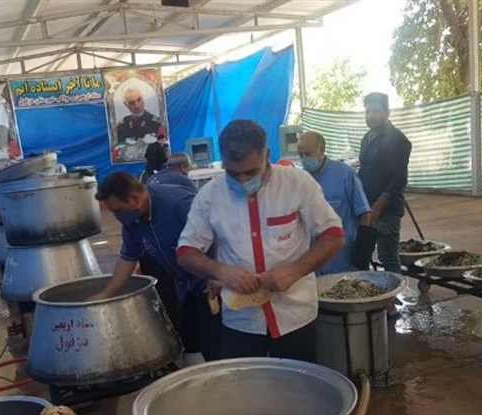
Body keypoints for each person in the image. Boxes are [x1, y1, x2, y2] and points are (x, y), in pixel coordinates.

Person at [176, 119, 345, 363]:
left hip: (294, 315)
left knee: (298, 383)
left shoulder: (297, 183)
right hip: (240, 320)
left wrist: (294, 271)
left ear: (267, 155)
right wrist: (222, 271)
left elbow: (333, 236)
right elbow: (185, 252)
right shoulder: (210, 195)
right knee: (245, 385)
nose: (243, 181)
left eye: (251, 172)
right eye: (233, 174)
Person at [92, 172, 222, 364]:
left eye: (119, 211)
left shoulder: (179, 204)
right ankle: (195, 374)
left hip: (213, 284)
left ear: (135, 198)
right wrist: (105, 295)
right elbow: (127, 260)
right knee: (189, 339)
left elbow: (220, 234)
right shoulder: (132, 223)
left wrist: (218, 274)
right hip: (184, 285)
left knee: (214, 341)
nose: (118, 218)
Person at [357, 92, 412, 315]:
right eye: (368, 111)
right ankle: (371, 296)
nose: (371, 115)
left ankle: (391, 303)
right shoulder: (367, 138)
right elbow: (363, 170)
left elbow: (399, 179)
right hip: (366, 204)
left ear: (387, 112)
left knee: (388, 255)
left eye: (376, 111)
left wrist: (378, 207)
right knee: (362, 252)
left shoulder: (399, 140)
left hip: (386, 208)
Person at [297, 131, 372, 274]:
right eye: (301, 155)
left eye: (308, 154)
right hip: (314, 261)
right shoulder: (300, 179)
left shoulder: (345, 174)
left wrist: (362, 248)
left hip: (344, 258)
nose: (304, 159)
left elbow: (364, 213)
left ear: (321, 149)